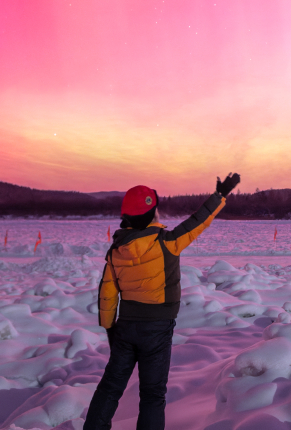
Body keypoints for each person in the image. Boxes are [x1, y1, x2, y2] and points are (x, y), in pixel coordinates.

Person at [84, 172, 241, 430]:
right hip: (157, 329)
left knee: (110, 388)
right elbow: (197, 222)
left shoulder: (116, 249)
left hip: (125, 328)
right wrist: (220, 195)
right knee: (153, 395)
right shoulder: (167, 242)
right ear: (151, 213)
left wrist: (110, 327)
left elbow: (108, 291)